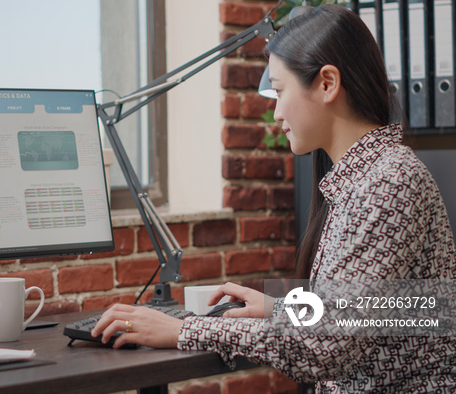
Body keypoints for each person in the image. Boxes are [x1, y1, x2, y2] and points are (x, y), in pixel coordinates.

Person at [91, 5, 456, 392]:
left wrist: (183, 330)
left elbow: (325, 346)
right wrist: (280, 308)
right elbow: (384, 311)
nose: (277, 112)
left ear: (327, 84)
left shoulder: (387, 183)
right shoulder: (370, 175)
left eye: (280, 91)